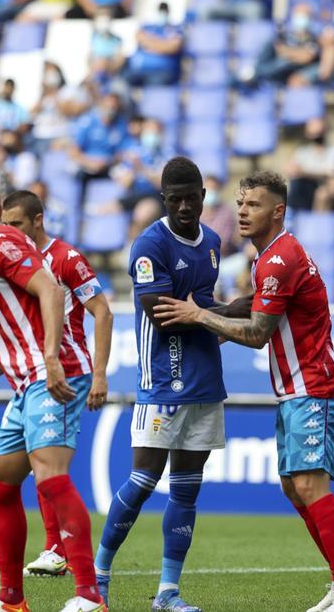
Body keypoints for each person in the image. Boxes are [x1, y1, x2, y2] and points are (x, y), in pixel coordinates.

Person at [153, 170, 334, 612]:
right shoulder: (268, 257)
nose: (242, 211)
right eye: (240, 203)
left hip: (316, 386)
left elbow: (256, 333)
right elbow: (250, 314)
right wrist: (206, 318)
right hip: (295, 390)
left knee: (310, 484)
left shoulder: (278, 258)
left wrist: (199, 316)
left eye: (253, 204)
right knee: (294, 487)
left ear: (278, 210)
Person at [0, 174, 103, 612]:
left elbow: (51, 291)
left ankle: (90, 596)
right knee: (0, 484)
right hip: (25, 379)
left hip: (54, 373)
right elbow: (23, 325)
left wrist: (52, 358)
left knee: (51, 478)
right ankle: (11, 600)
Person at [94, 157, 225, 612]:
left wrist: (210, 312)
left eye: (193, 197)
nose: (185, 206)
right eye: (176, 198)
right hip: (163, 382)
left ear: (204, 197)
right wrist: (231, 311)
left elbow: (200, 307)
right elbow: (163, 312)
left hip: (206, 380)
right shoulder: (149, 245)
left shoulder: (212, 242)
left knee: (188, 488)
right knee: (143, 480)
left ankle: (168, 591)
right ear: (163, 199)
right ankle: (98, 578)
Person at [0, 189, 113, 580]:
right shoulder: (15, 262)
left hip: (66, 371)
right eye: (4, 225)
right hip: (34, 372)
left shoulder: (66, 259)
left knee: (48, 466)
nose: (9, 232)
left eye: (16, 224)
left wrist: (99, 374)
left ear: (38, 220)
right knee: (27, 466)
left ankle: (65, 559)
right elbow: (27, 333)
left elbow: (103, 313)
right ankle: (53, 551)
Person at [242, 2, 320, 87]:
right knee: (270, 49)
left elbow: (306, 57)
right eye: (299, 15)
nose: (301, 18)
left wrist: (288, 53)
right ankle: (254, 73)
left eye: (305, 16)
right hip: (278, 70)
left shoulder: (314, 38)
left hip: (294, 70)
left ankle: (255, 73)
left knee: (284, 62)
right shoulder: (285, 34)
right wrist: (295, 53)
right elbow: (279, 48)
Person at [124, 3, 183, 86]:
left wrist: (149, 44)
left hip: (162, 71)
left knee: (154, 85)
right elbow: (139, 36)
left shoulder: (175, 29)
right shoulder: (147, 26)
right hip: (139, 70)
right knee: (120, 82)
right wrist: (162, 45)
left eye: (164, 11)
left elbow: (173, 46)